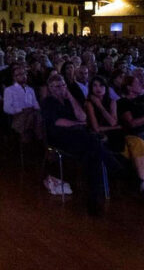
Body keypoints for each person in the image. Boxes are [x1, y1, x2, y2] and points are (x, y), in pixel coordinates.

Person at [41, 73, 121, 216]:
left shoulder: (68, 100)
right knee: (93, 144)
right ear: (51, 88)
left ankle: (94, 198)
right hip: (60, 137)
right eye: (58, 86)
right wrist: (78, 124)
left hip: (78, 136)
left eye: (64, 85)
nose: (62, 88)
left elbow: (83, 116)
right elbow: (58, 122)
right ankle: (113, 165)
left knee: (92, 153)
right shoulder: (48, 102)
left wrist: (70, 97)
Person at [84, 76, 144, 208]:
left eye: (101, 86)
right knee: (137, 148)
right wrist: (98, 106)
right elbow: (96, 128)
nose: (98, 89)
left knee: (138, 143)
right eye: (95, 86)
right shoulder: (88, 103)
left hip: (118, 135)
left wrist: (101, 107)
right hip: (101, 138)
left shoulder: (113, 102)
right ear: (90, 88)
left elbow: (113, 121)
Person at [3, 65, 43, 143]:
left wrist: (36, 109)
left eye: (24, 73)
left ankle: (32, 139)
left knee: (37, 115)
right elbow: (7, 108)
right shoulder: (9, 90)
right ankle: (40, 140)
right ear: (14, 77)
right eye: (20, 74)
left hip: (32, 113)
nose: (23, 76)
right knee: (35, 117)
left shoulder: (30, 89)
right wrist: (20, 110)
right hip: (18, 116)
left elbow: (35, 103)